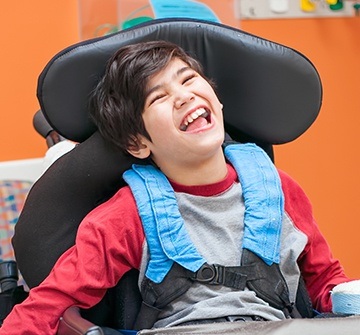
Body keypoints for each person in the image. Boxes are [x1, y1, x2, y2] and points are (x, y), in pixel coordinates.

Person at [0, 40, 351, 334]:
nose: (184, 96)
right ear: (137, 143)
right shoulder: (128, 215)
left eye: (188, 79)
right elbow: (48, 304)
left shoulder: (279, 191)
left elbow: (325, 283)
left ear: (216, 99)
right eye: (158, 98)